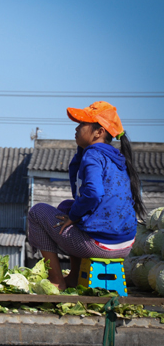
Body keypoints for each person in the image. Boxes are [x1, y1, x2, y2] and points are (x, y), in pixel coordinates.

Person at [27, 101, 146, 290]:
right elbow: (80, 195)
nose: (77, 128)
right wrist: (81, 149)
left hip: (100, 245)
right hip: (124, 246)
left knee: (37, 212)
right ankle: (74, 277)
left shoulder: (93, 154)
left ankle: (57, 281)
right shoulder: (115, 157)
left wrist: (73, 217)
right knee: (67, 206)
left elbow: (92, 193)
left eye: (82, 124)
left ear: (99, 132)